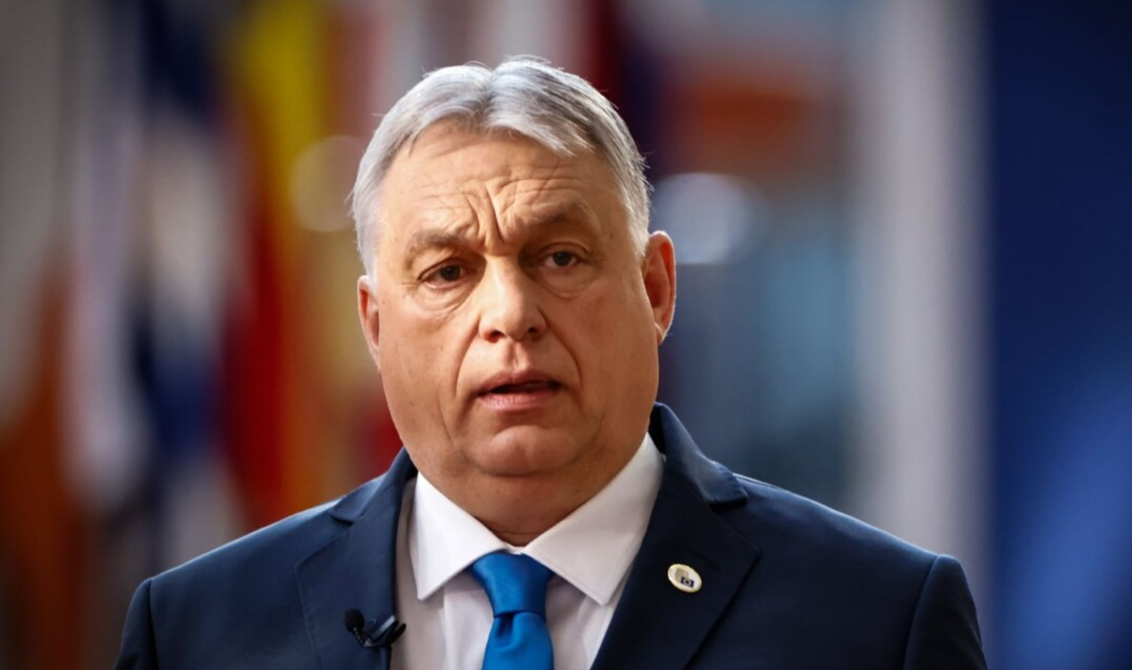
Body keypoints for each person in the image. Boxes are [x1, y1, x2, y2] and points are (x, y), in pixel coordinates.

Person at [115, 56, 986, 669]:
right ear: (375, 327)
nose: (510, 315)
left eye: (561, 257)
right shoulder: (195, 631)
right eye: (448, 272)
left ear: (656, 290)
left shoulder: (879, 622)